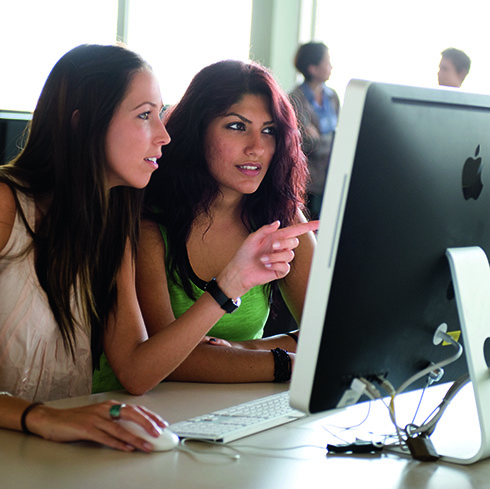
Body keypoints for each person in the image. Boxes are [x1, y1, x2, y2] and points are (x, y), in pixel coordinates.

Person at [0, 45, 317, 451]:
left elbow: (137, 368)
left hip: (60, 443)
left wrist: (231, 290)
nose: (165, 134)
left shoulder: (111, 219)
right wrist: (40, 416)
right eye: (145, 115)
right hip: (35, 434)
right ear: (83, 125)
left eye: (159, 114)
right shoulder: (8, 204)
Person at [93, 59, 318, 391]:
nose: (257, 147)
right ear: (197, 131)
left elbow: (327, 341)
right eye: (237, 126)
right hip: (138, 410)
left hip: (232, 407)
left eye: (269, 131)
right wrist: (284, 361)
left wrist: (242, 351)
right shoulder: (146, 218)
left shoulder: (280, 217)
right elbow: (167, 362)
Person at [290, 41, 340, 220]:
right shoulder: (295, 99)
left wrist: (320, 137)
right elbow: (308, 144)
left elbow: (340, 138)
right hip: (308, 183)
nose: (331, 66)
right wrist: (329, 140)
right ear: (312, 68)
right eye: (327, 62)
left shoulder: (332, 96)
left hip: (332, 177)